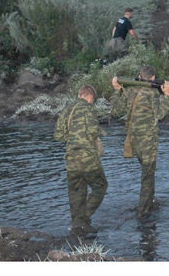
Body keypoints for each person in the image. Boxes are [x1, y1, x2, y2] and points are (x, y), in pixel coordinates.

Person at [110, 65, 169, 218]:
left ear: (139, 76)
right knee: (148, 175)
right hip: (148, 141)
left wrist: (117, 90)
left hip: (133, 139)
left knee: (147, 172)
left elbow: (115, 110)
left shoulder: (130, 90)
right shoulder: (152, 93)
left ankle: (149, 201)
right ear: (153, 78)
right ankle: (144, 211)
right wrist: (167, 96)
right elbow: (159, 114)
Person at [54, 85, 108, 237]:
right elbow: (93, 131)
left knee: (76, 192)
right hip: (88, 157)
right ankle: (82, 220)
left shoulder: (67, 109)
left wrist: (73, 139)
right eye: (93, 100)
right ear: (90, 97)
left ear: (79, 94)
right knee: (100, 186)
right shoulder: (89, 109)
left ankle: (77, 228)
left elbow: (58, 135)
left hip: (71, 158)